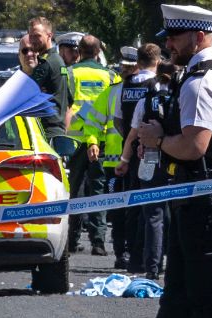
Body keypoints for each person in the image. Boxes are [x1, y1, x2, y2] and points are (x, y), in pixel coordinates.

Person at [107, 5, 212, 318]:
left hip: (204, 197)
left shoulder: (201, 80)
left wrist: (157, 140)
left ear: (198, 36)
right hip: (195, 196)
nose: (168, 44)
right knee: (180, 291)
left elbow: (194, 145)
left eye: (175, 37)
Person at [82, 46, 139, 267]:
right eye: (123, 68)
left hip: (137, 161)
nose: (125, 71)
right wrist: (93, 142)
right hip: (113, 162)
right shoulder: (112, 91)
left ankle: (135, 251)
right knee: (117, 210)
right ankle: (120, 253)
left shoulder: (145, 89)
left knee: (136, 210)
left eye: (129, 68)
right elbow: (93, 121)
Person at [65, 34, 120, 256]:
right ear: (98, 52)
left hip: (75, 140)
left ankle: (71, 240)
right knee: (98, 189)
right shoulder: (111, 76)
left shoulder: (69, 74)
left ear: (79, 51)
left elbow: (64, 105)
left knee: (75, 190)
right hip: (102, 140)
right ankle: (98, 242)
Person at [113, 44, 163, 273]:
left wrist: (128, 145)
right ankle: (151, 258)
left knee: (133, 206)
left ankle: (132, 256)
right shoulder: (158, 85)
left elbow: (118, 119)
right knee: (155, 208)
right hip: (155, 151)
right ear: (157, 60)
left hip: (131, 150)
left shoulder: (126, 84)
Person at [28, 17, 71, 153]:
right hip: (58, 132)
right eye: (31, 36)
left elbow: (23, 94)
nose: (33, 40)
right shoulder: (58, 60)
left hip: (46, 132)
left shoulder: (46, 63)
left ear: (49, 35)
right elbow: (69, 100)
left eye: (37, 36)